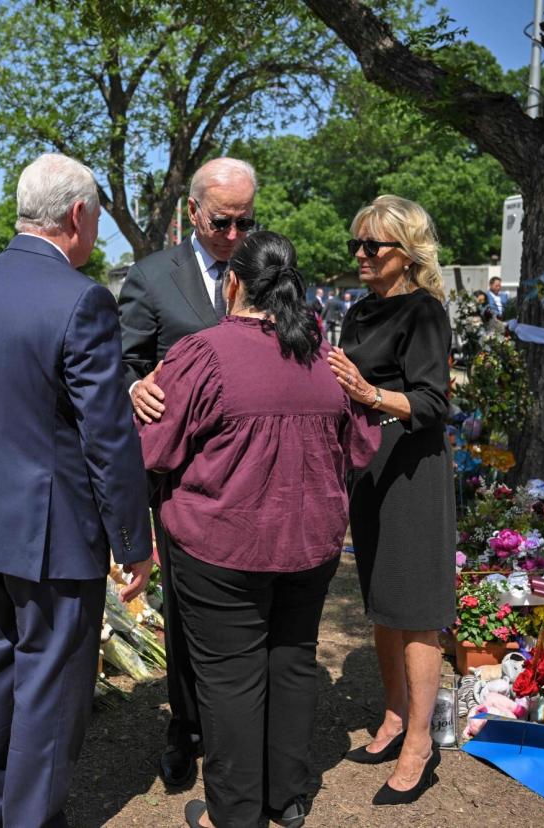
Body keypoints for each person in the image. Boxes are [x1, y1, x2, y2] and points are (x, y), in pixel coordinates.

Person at [0, 153, 154, 827]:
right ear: (77, 215)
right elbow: (108, 435)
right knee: (51, 691)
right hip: (55, 532)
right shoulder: (81, 298)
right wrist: (132, 539)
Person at [140, 231, 379, 828]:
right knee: (292, 661)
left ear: (234, 282)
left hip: (223, 544)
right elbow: (362, 442)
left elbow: (156, 448)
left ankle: (237, 811)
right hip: (309, 541)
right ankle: (287, 798)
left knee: (230, 677)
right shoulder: (324, 356)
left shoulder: (203, 353)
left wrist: (143, 393)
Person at [117, 156, 257, 787]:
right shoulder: (151, 278)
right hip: (184, 476)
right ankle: (186, 723)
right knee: (184, 605)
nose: (233, 236)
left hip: (256, 471)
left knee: (250, 604)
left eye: (245, 223)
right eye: (223, 222)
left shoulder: (265, 268)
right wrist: (132, 386)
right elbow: (121, 362)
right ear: (193, 212)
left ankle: (245, 727)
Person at [326, 195, 455, 806]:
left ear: (405, 254)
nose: (360, 254)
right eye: (356, 244)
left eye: (371, 246)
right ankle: (394, 716)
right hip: (368, 472)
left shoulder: (425, 313)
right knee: (382, 602)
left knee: (417, 610)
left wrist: (369, 392)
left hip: (412, 474)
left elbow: (431, 403)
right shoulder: (356, 313)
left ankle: (420, 742)